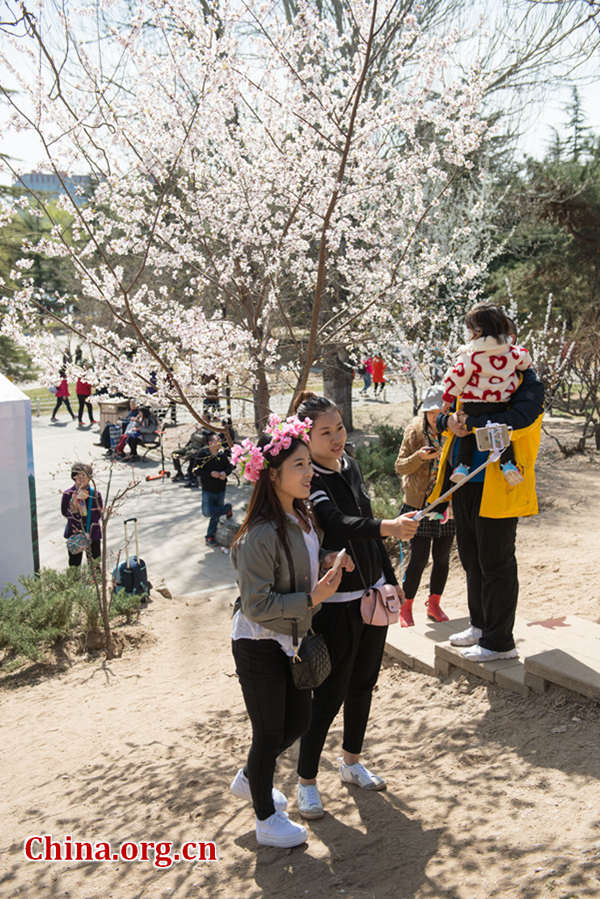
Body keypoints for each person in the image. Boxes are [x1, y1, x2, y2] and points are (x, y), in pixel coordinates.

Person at [292, 392, 419, 820]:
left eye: (340, 428)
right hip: (340, 601)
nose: (336, 438)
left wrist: (393, 582)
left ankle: (351, 762)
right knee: (329, 692)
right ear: (305, 439)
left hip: (375, 594)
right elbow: (338, 525)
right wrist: (389, 525)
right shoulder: (311, 480)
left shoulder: (350, 466)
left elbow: (367, 529)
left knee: (363, 684)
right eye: (325, 432)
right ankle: (306, 781)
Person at [229, 415, 351, 849]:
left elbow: (299, 569)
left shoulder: (302, 516)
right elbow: (258, 606)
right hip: (259, 643)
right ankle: (266, 819)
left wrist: (329, 559)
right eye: (299, 465)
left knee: (297, 721)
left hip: (294, 638)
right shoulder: (257, 536)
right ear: (273, 475)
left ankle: (250, 776)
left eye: (308, 464)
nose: (309, 472)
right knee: (267, 732)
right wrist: (314, 598)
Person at [429, 363, 544, 662]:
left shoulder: (525, 381)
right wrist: (449, 421)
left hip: (500, 484)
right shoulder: (469, 374)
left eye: (480, 334)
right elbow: (440, 415)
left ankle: (500, 641)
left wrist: (473, 420)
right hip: (465, 480)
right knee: (471, 558)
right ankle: (479, 626)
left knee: (496, 562)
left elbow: (522, 419)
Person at [441, 303, 531, 485]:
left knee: (467, 433)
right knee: (499, 434)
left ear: (477, 330)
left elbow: (457, 376)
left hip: (472, 404)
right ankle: (508, 464)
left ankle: (461, 466)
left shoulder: (470, 354)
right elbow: (525, 362)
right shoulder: (513, 352)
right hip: (499, 403)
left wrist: (447, 398)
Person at [394, 384, 455, 627]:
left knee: (442, 558)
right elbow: (399, 466)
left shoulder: (453, 433)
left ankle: (434, 603)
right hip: (418, 505)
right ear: (424, 413)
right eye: (431, 412)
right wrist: (419, 457)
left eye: (440, 412)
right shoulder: (414, 432)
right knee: (418, 557)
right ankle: (406, 606)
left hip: (446, 503)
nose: (435, 417)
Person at [193, 433, 235, 544]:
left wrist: (225, 473)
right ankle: (227, 508)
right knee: (207, 512)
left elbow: (231, 466)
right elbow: (195, 470)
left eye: (220, 441)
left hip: (221, 489)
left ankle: (210, 535)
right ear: (210, 443)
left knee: (215, 515)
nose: (220, 443)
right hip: (207, 489)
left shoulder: (222, 454)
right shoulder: (203, 454)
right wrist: (210, 473)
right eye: (218, 441)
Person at [61, 463, 103, 567]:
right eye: (78, 476)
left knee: (95, 565)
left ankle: (95, 583)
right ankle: (75, 583)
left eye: (84, 476)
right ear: (73, 477)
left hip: (93, 534)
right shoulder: (68, 494)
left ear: (89, 478)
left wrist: (88, 530)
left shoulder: (95, 495)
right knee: (74, 565)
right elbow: (64, 512)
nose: (81, 479)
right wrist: (74, 506)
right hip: (74, 533)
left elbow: (99, 514)